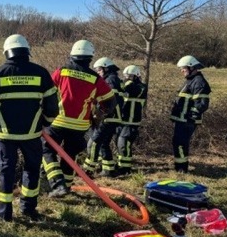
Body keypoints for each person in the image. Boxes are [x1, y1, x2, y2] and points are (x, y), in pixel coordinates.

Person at [0, 34, 58, 222]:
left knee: (6, 171)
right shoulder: (41, 73)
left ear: (7, 52)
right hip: (32, 134)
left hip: (5, 135)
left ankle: (4, 214)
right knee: (32, 170)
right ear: (27, 52)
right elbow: (53, 105)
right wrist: (46, 124)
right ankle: (29, 209)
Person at [42, 40, 116, 198]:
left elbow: (46, 91)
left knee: (46, 150)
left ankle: (57, 183)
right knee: (70, 155)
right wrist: (100, 112)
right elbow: (110, 100)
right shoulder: (95, 78)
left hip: (58, 121)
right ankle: (67, 188)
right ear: (90, 57)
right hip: (80, 125)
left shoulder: (61, 71)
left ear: (72, 55)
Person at [83, 57, 123, 177]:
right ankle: (108, 170)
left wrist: (99, 113)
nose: (98, 73)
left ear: (106, 68)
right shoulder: (114, 79)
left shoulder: (110, 80)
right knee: (104, 143)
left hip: (108, 117)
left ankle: (88, 170)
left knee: (95, 142)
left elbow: (108, 101)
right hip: (113, 117)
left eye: (99, 70)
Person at [170, 55, 211, 173]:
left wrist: (190, 116)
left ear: (191, 67)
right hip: (182, 119)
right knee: (178, 143)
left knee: (180, 143)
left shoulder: (199, 82)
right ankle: (180, 168)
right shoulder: (191, 80)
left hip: (187, 121)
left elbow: (202, 104)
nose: (181, 70)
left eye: (184, 68)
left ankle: (182, 169)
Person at [116, 65, 148, 175]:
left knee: (124, 143)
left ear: (136, 76)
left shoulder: (142, 87)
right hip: (122, 119)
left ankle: (126, 168)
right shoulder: (126, 85)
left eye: (129, 76)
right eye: (126, 76)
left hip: (132, 120)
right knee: (119, 142)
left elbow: (134, 91)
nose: (127, 78)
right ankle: (121, 164)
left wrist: (126, 82)